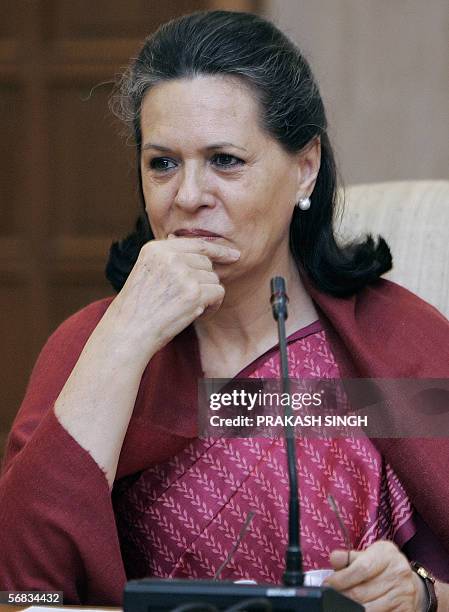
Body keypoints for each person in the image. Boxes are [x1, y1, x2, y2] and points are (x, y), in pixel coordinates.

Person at [1, 10, 448, 610]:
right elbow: (25, 592)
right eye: (162, 163)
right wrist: (124, 337)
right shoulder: (95, 346)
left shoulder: (398, 345)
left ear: (304, 167)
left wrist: (423, 598)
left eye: (225, 161)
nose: (187, 196)